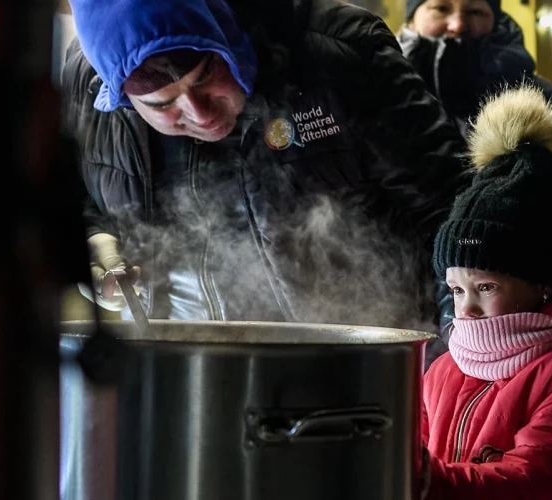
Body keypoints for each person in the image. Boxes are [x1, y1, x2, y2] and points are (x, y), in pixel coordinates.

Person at [61, 0, 471, 329]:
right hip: (171, 369)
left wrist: (452, 353)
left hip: (350, 364)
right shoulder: (87, 77)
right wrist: (95, 243)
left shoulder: (336, 51)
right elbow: (74, 201)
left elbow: (452, 213)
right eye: (162, 104)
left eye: (205, 76)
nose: (200, 114)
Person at [420, 84, 552, 499]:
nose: (467, 309)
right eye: (457, 289)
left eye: (487, 287)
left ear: (541, 283)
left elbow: (535, 485)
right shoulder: (445, 368)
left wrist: (417, 480)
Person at [398, 0, 552, 364]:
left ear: (496, 18)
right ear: (411, 16)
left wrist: (542, 255)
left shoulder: (541, 104)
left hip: (513, 342)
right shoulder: (376, 104)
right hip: (391, 328)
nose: (458, 24)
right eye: (440, 8)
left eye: (475, 11)